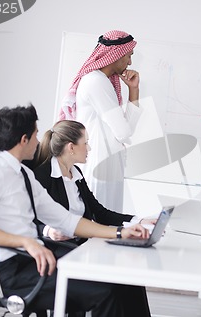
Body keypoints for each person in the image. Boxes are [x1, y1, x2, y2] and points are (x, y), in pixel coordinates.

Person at [0, 105, 150, 316]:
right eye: (35, 135)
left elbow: (66, 220)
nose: (39, 141)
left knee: (123, 281)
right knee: (107, 291)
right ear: (24, 139)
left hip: (35, 260)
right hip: (9, 271)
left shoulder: (23, 174)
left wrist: (120, 232)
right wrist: (26, 242)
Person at [59, 29, 143, 211]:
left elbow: (125, 131)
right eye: (128, 56)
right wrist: (134, 94)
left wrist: (134, 90)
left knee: (109, 224)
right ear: (116, 55)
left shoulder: (101, 80)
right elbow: (124, 132)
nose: (130, 62)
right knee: (100, 224)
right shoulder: (96, 82)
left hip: (107, 163)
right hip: (99, 163)